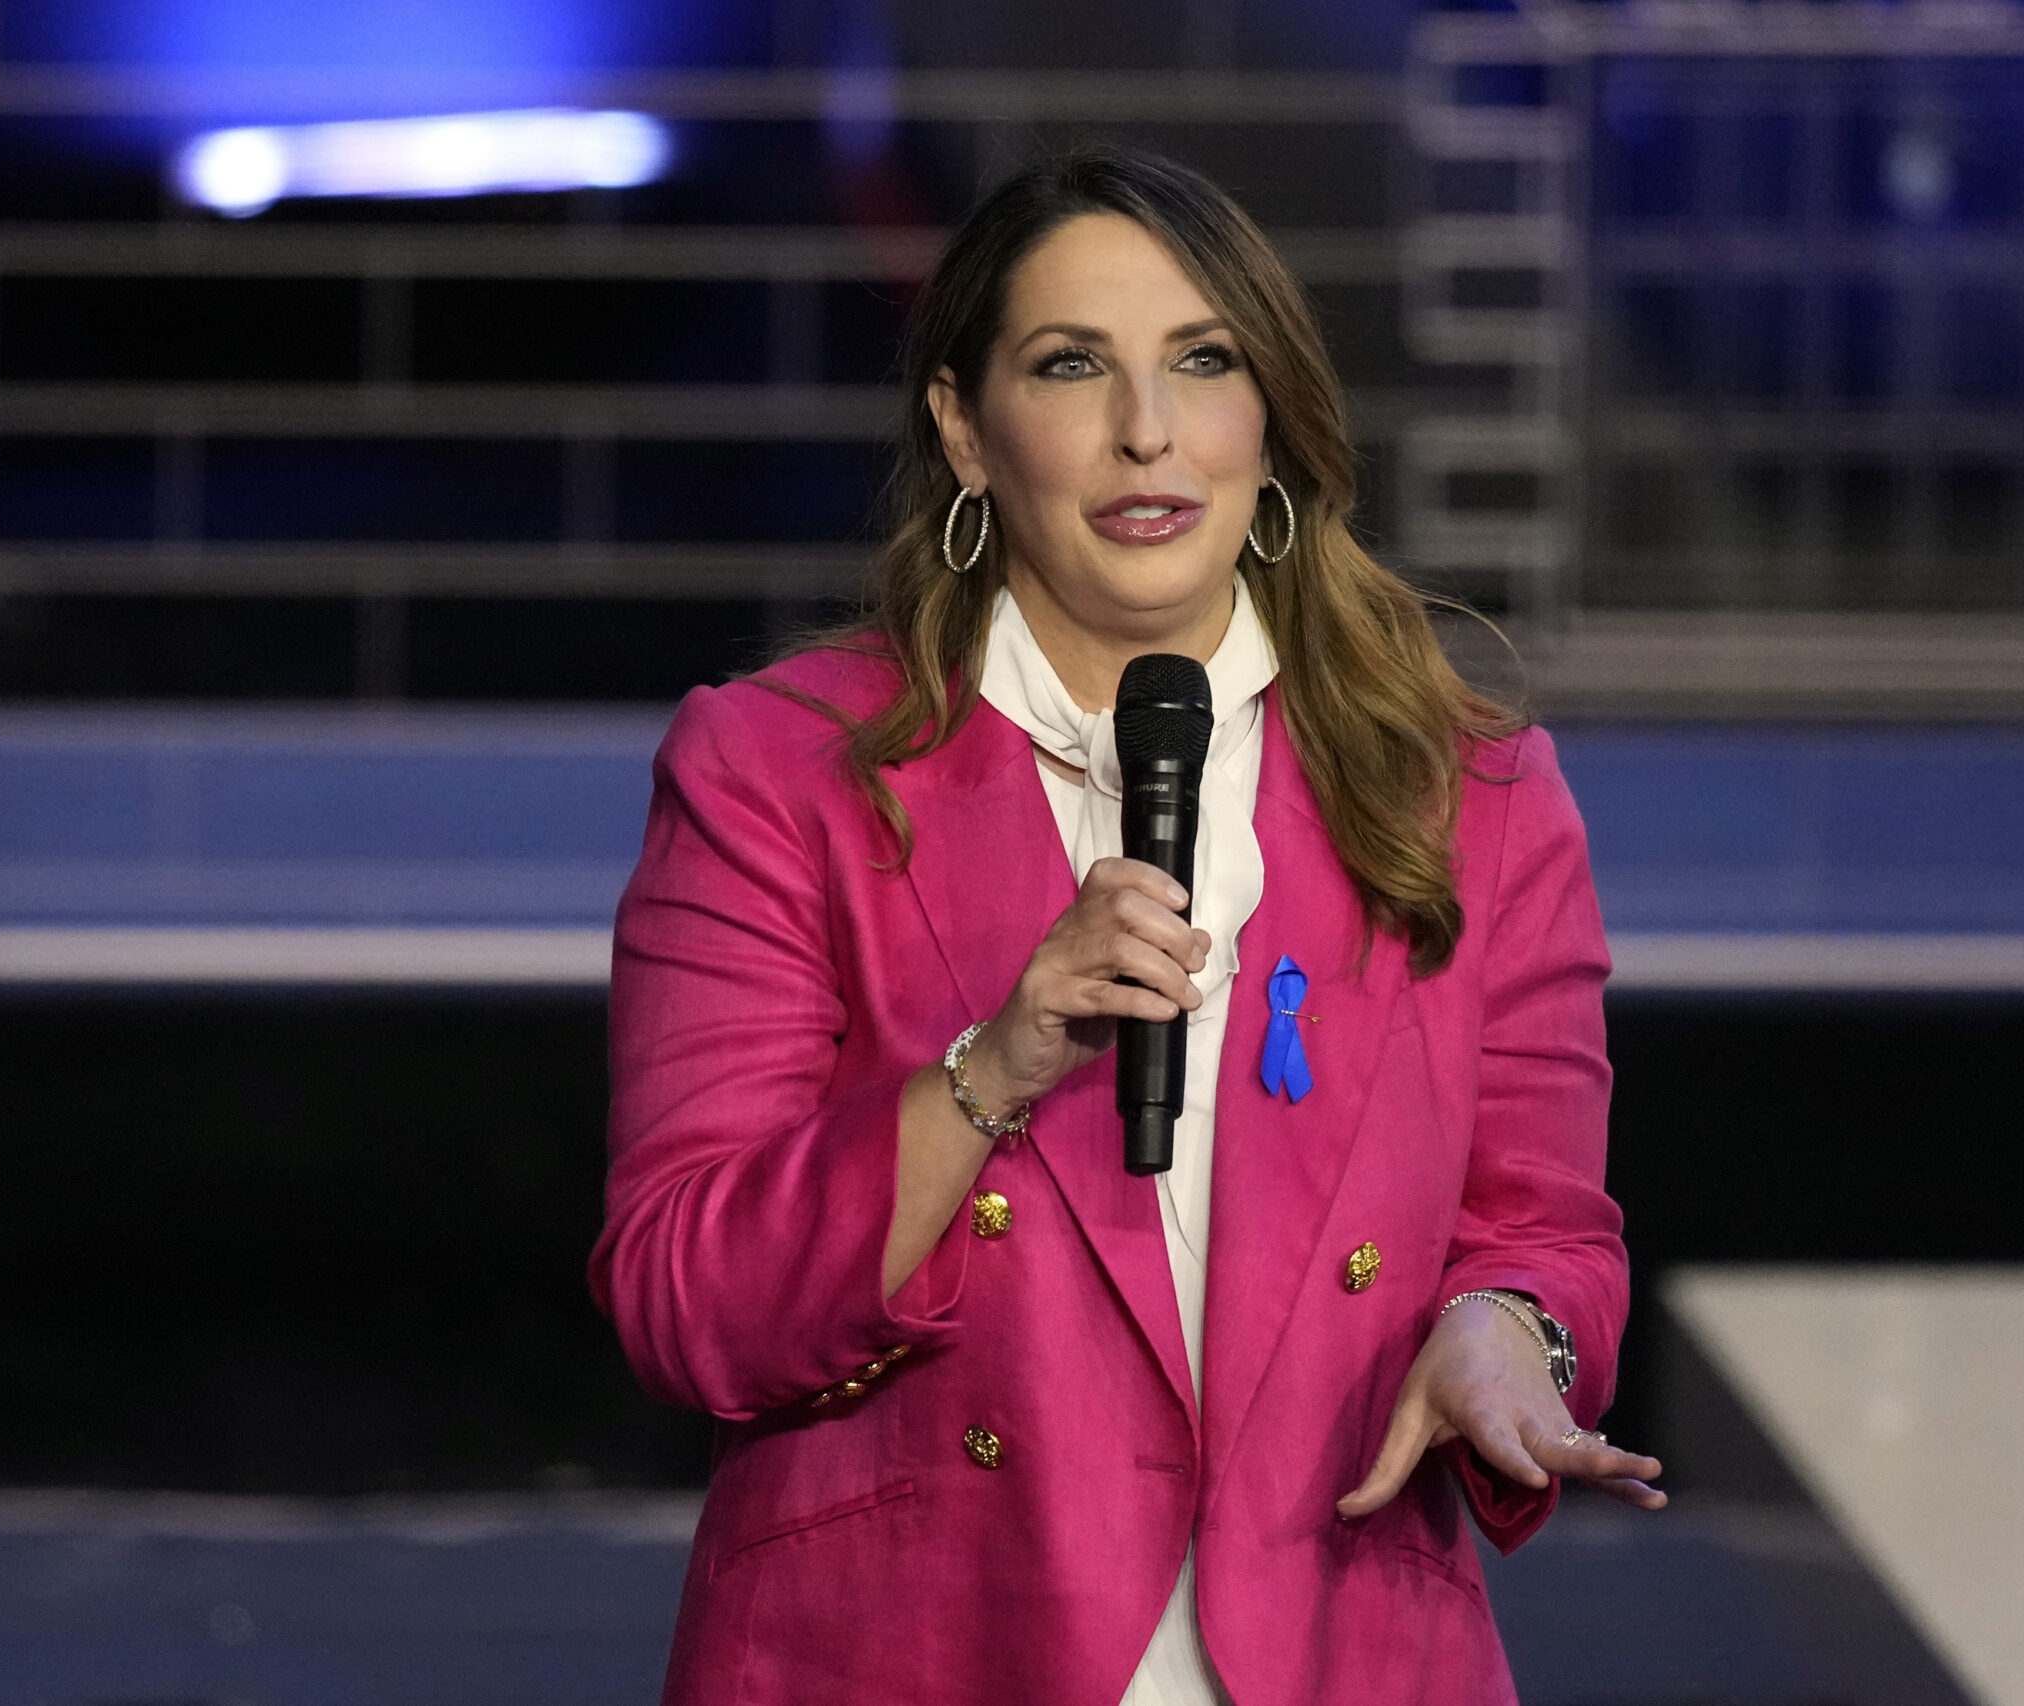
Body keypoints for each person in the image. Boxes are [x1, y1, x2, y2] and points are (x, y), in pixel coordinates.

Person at [591, 145, 1663, 1706]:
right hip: (914, 1649)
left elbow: (1546, 1230)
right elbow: (690, 1299)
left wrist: (1512, 1336)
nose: (1145, 430)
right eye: (1072, 364)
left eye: (1201, 361)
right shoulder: (777, 773)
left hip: (1335, 1645)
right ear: (966, 428)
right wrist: (993, 1065)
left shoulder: (1474, 794)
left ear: (1270, 420)